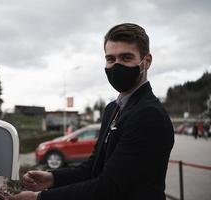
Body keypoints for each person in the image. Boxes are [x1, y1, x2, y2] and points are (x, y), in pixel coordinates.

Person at [9, 23, 175, 200]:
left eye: (126, 58)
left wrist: (39, 198)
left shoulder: (149, 115)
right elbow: (94, 167)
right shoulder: (113, 109)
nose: (116, 66)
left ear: (146, 61)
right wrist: (53, 178)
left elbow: (109, 187)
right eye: (111, 59)